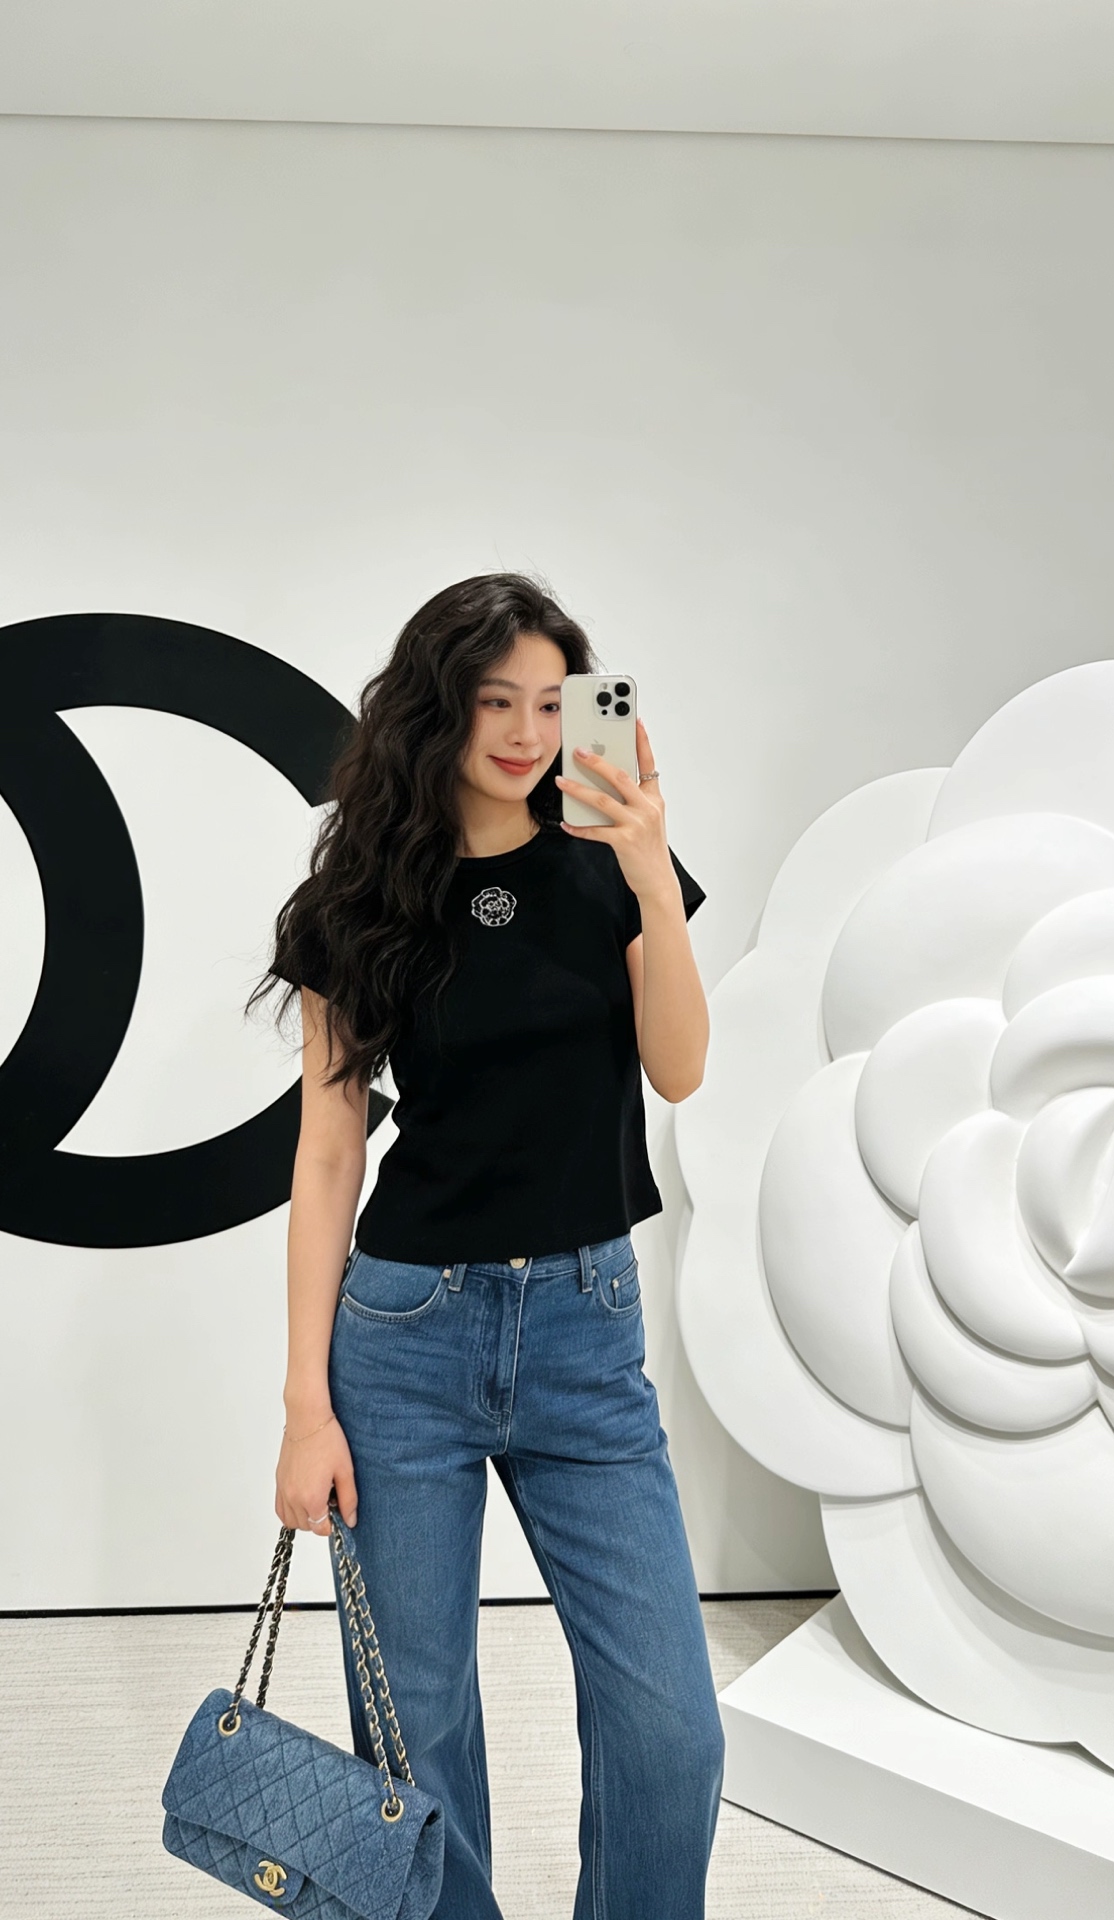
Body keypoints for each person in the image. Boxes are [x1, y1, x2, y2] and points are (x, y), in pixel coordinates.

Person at [256, 574, 724, 1920]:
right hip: (406, 1341)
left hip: (586, 1330)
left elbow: (680, 1070)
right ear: (439, 708)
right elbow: (330, 1153)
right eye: (494, 702)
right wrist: (305, 1408)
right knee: (415, 1738)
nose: (525, 733)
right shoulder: (362, 895)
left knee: (671, 1730)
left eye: (549, 703)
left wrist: (652, 878)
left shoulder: (609, 864)